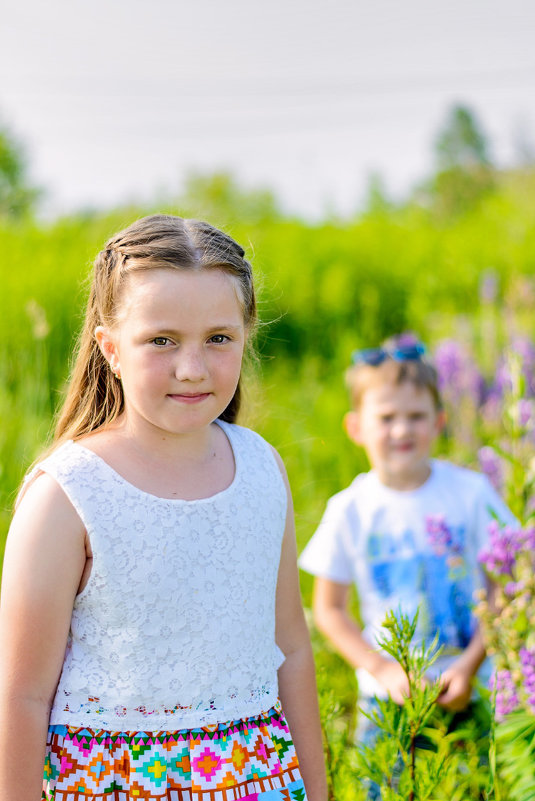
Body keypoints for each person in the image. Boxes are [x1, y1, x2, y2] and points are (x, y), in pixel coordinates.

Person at [0, 215, 327, 801]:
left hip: (260, 780)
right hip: (112, 785)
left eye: (219, 338)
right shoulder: (68, 494)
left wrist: (318, 789)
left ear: (247, 336)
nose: (192, 368)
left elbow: (292, 646)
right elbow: (20, 696)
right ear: (111, 349)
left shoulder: (261, 468)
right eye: (161, 340)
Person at [299, 336, 514, 738]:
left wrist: (469, 664)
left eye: (416, 416)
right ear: (355, 427)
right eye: (386, 418)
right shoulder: (350, 508)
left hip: (473, 685)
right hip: (387, 695)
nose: (402, 429)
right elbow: (329, 610)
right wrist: (381, 669)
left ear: (439, 421)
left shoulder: (471, 492)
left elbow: (502, 588)